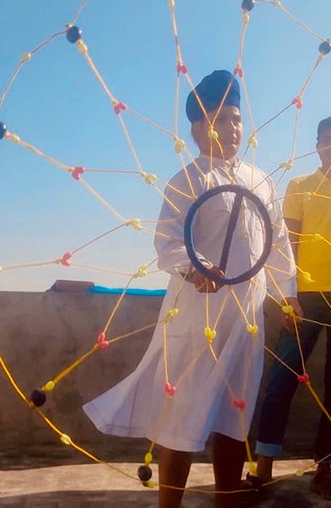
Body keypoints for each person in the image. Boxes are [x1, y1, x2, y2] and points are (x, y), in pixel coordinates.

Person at [83, 70, 302, 508]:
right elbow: (167, 242)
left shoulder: (262, 182)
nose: (232, 128)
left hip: (246, 317)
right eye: (221, 120)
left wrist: (289, 293)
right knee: (181, 413)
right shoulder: (187, 180)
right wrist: (194, 268)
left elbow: (276, 243)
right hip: (195, 315)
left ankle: (226, 498)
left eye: (237, 119)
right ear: (198, 130)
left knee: (234, 412)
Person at [251, 115, 331, 501]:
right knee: (282, 379)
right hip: (304, 297)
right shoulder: (299, 186)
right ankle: (263, 469)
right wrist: (286, 294)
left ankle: (325, 470)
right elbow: (285, 245)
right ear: (317, 145)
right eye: (325, 141)